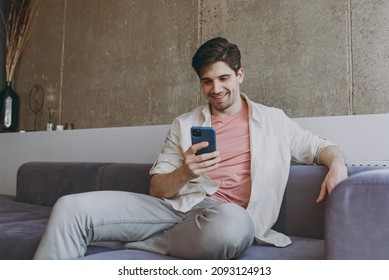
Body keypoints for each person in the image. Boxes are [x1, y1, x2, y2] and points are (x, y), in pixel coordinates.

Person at [34, 37, 347, 260]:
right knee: (70, 207)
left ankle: (143, 242)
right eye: (206, 81)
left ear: (240, 75)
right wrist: (186, 171)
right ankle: (145, 237)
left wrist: (337, 166)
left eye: (224, 78)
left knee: (234, 226)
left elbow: (320, 147)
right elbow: (157, 189)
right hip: (173, 210)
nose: (216, 89)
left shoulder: (273, 121)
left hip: (223, 219)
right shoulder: (185, 124)